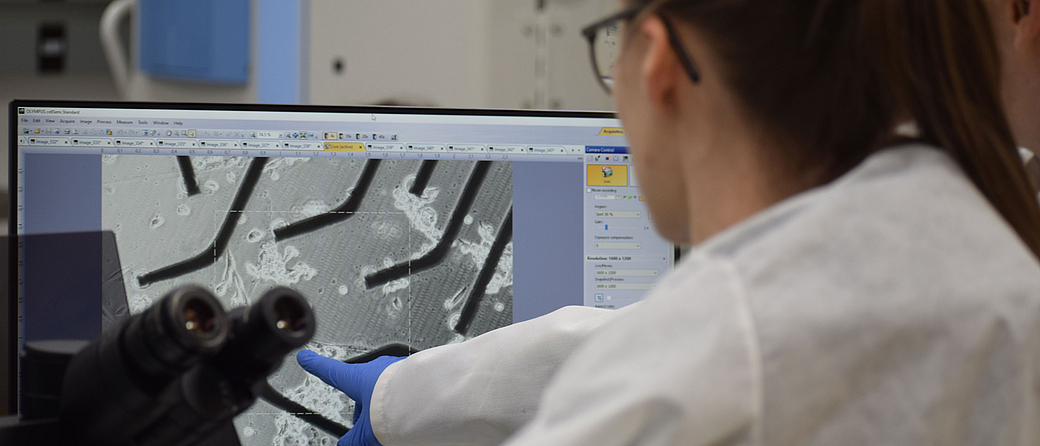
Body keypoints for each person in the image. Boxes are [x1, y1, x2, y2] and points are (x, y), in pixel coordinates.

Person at [297, 0, 1040, 444]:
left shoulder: (713, 366)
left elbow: (714, 349)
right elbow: (669, 339)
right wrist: (409, 395)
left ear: (654, 61)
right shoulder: (974, 244)